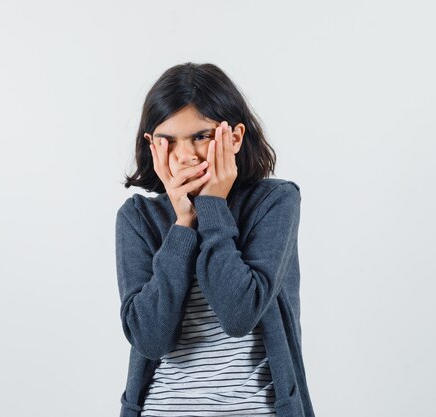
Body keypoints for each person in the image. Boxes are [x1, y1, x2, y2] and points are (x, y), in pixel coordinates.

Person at [115, 62, 315, 417]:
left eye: (201, 136)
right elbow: (149, 338)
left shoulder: (275, 202)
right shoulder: (137, 218)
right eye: (169, 141)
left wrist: (212, 207)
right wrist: (182, 225)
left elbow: (238, 315)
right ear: (151, 145)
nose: (186, 155)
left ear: (234, 137)